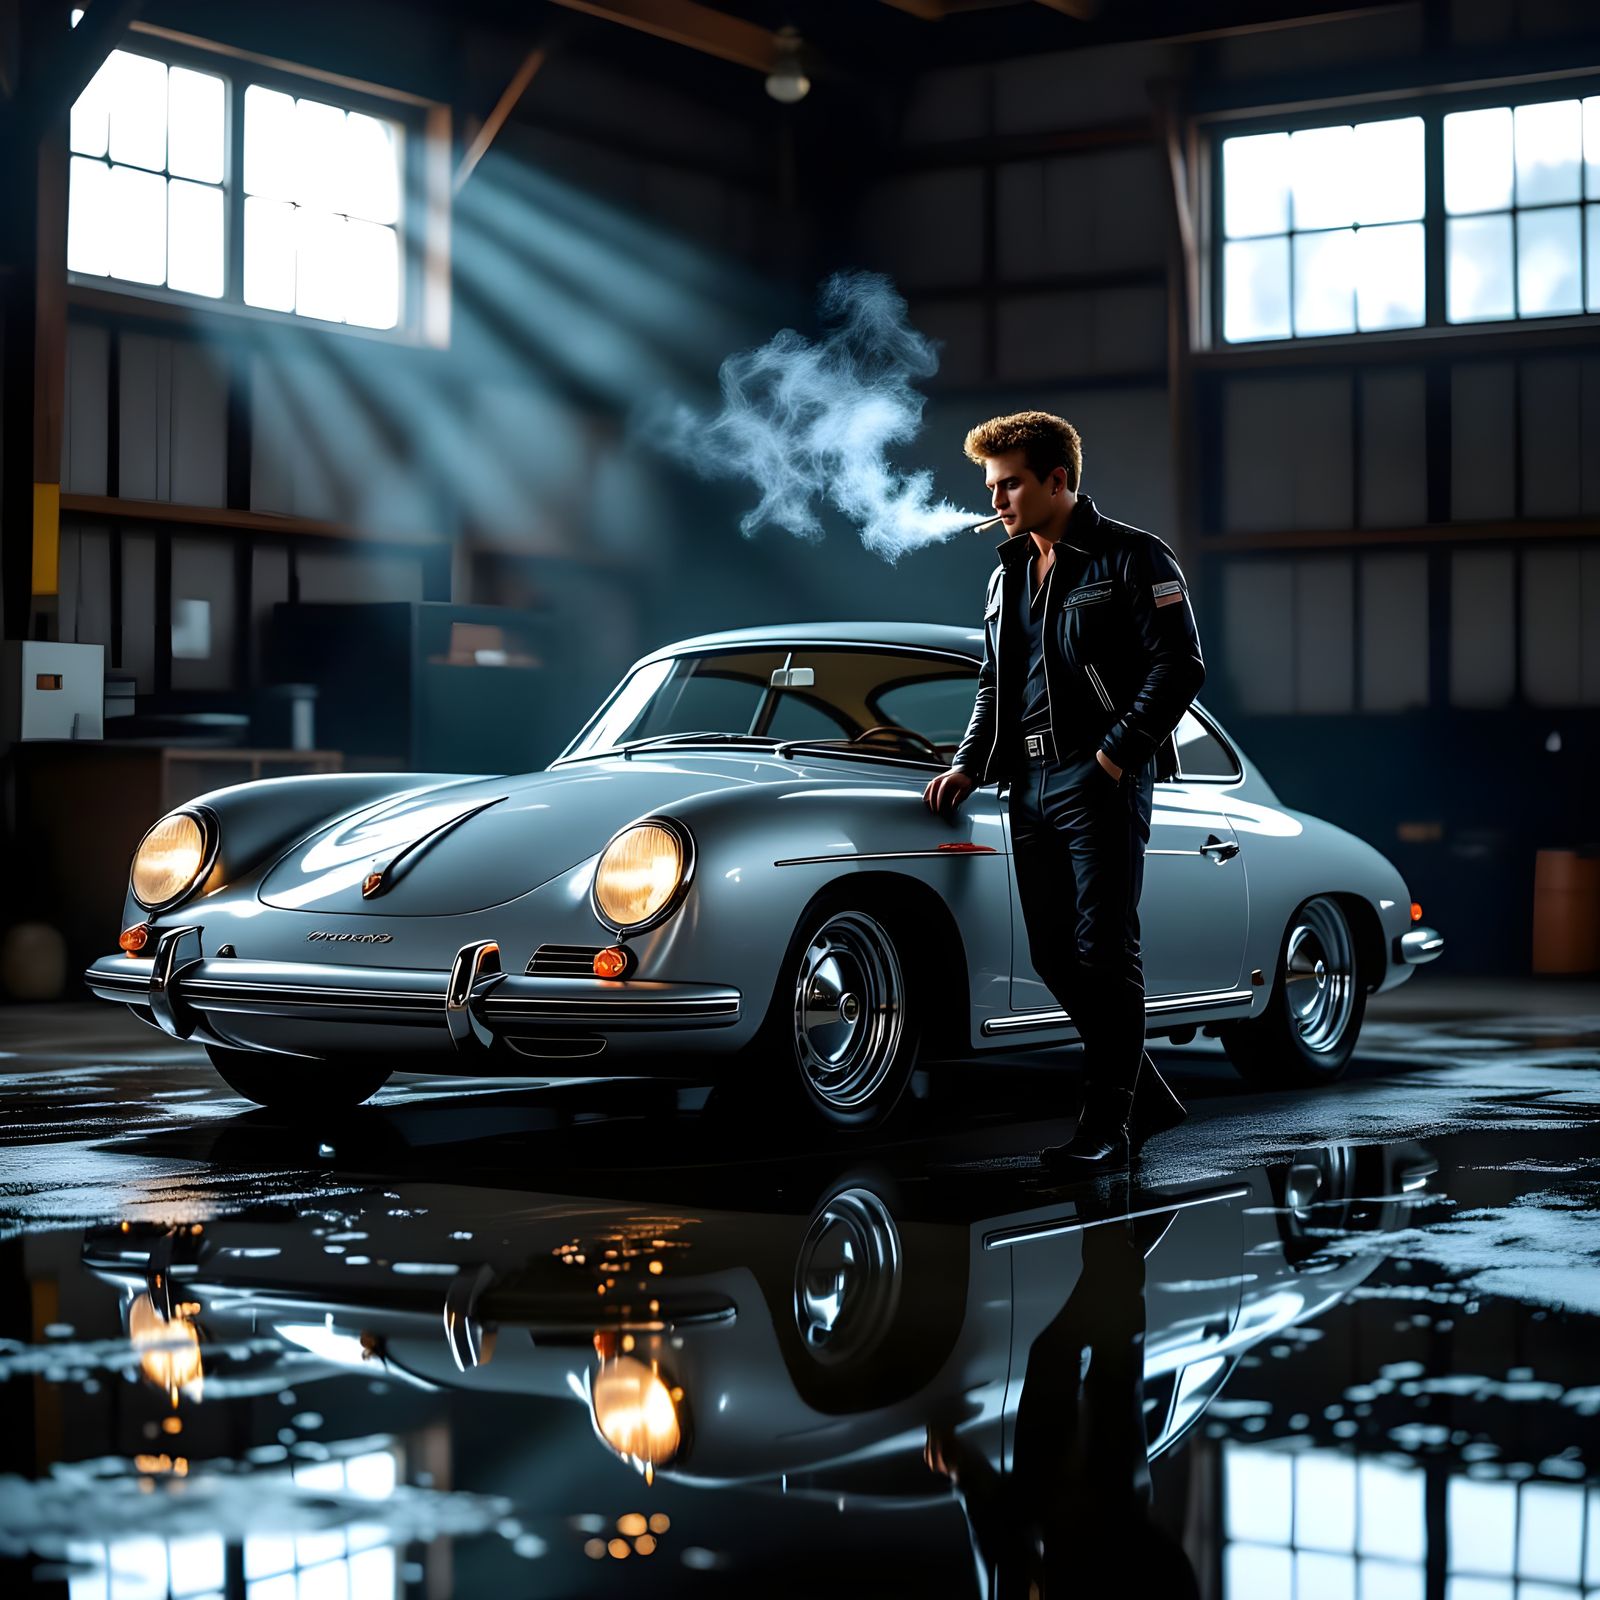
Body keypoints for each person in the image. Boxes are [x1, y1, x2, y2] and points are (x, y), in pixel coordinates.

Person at [923, 411, 1204, 1171]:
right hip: (1029, 784)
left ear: (1058, 480)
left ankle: (1106, 1125)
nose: (996, 502)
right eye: (991, 487)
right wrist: (968, 764)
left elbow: (1179, 668)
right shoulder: (1007, 572)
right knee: (1051, 956)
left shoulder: (1132, 556)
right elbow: (995, 683)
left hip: (1099, 778)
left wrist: (1113, 760)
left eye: (1010, 485)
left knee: (1105, 952)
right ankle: (1143, 1098)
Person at [924, 1183, 1200, 1599]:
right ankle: (1113, 1200)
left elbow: (1006, 1549)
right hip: (1082, 1507)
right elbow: (1006, 1548)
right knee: (1080, 1346)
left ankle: (1123, 1214)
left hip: (1089, 1505)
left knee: (1098, 1341)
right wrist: (965, 1473)